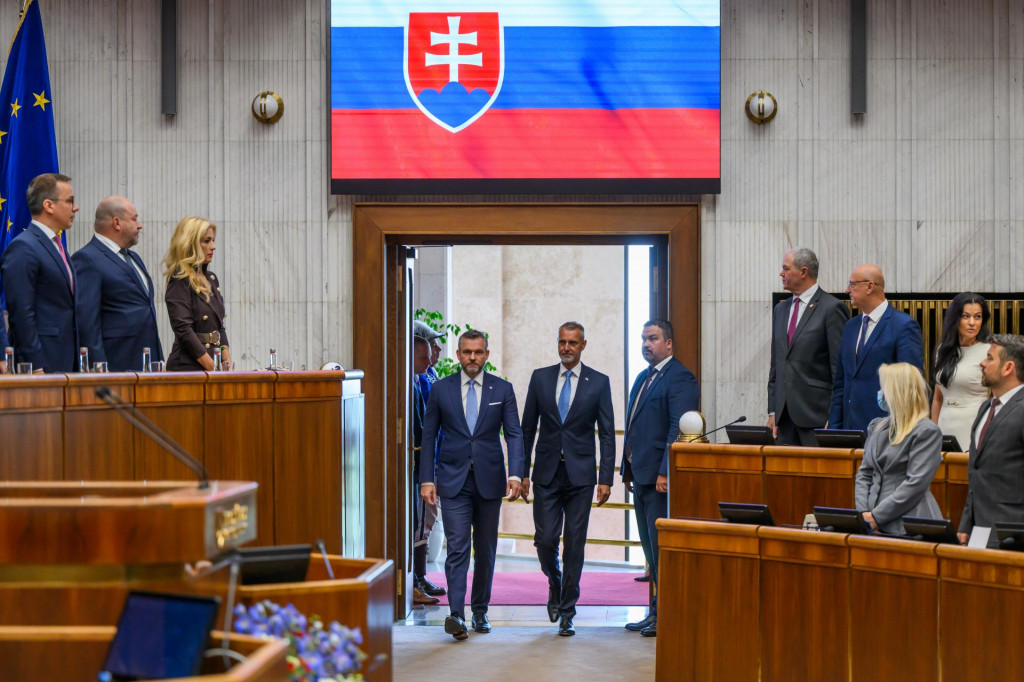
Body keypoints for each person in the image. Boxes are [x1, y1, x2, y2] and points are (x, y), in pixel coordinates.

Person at [419, 329, 524, 641]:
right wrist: (426, 479)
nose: (472, 358)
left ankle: (480, 609)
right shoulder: (441, 389)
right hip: (453, 481)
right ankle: (456, 615)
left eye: (478, 352)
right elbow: (428, 435)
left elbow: (515, 433)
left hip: (491, 481)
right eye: (467, 352)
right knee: (458, 547)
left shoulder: (502, 389)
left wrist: (516, 474)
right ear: (458, 354)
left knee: (486, 549)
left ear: (486, 355)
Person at [520, 321, 615, 636]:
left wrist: (606, 478)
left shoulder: (599, 382)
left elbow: (606, 434)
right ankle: (555, 582)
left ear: (583, 345)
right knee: (545, 540)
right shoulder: (541, 378)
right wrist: (520, 472)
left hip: (581, 477)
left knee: (575, 543)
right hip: (546, 474)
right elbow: (526, 429)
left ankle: (568, 611)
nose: (566, 348)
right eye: (562, 342)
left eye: (573, 343)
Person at [621, 319, 699, 638]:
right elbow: (633, 426)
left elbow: (676, 429)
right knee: (649, 549)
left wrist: (666, 470)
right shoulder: (643, 377)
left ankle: (666, 612)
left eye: (652, 339)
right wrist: (626, 469)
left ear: (668, 344)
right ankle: (654, 610)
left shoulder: (680, 377)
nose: (645, 344)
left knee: (660, 547)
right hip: (639, 475)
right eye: (643, 339)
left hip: (658, 477)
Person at [71, 196, 163, 372]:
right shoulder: (87, 259)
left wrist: (159, 361)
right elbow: (87, 323)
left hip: (147, 367)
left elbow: (146, 311)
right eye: (134, 219)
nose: (139, 225)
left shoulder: (134, 258)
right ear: (117, 223)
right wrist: (98, 369)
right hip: (115, 368)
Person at [767, 248, 849, 445]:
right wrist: (772, 411)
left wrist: (835, 416)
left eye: (786, 269)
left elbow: (839, 368)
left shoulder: (831, 308)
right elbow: (777, 365)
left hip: (817, 418)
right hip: (783, 419)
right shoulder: (781, 309)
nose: (781, 273)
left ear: (803, 272)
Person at [828, 264, 924, 432]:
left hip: (886, 433)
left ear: (870, 286)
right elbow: (841, 384)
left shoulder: (903, 326)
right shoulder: (850, 326)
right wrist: (834, 429)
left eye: (852, 284)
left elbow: (910, 385)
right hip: (848, 431)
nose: (847, 290)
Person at [0, 173, 80, 373]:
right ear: (48, 205)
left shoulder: (57, 247)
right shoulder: (23, 248)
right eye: (70, 201)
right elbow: (21, 314)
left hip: (67, 361)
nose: (75, 207)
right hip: (42, 364)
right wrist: (35, 365)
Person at [854, 363, 943, 535]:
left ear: (897, 393)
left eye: (883, 388)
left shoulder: (926, 431)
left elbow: (915, 484)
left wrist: (875, 517)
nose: (880, 394)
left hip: (909, 525)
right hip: (872, 524)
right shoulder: (877, 427)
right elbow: (864, 474)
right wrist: (863, 514)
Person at [957, 335, 1024, 545]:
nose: (982, 363)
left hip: (1013, 532)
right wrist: (966, 523)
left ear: (1008, 368)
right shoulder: (986, 407)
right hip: (979, 529)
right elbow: (977, 472)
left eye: (989, 358)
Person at [162, 216, 231, 371]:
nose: (213, 246)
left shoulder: (211, 279)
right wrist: (210, 365)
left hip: (213, 363)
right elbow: (183, 329)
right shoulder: (180, 279)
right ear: (190, 244)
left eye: (213, 240)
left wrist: (225, 355)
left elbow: (219, 324)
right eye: (206, 241)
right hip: (189, 365)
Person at [411, 320, 447, 600]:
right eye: (429, 346)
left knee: (426, 522)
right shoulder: (416, 379)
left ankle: (420, 577)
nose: (436, 351)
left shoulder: (428, 374)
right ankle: (416, 579)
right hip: (420, 463)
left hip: (434, 457)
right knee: (419, 521)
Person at [931, 293, 992, 450]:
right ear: (955, 319)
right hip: (944, 422)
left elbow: (996, 398)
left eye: (977, 317)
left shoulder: (989, 351)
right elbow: (938, 398)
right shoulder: (942, 350)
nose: (972, 322)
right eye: (966, 316)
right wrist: (933, 430)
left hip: (975, 423)